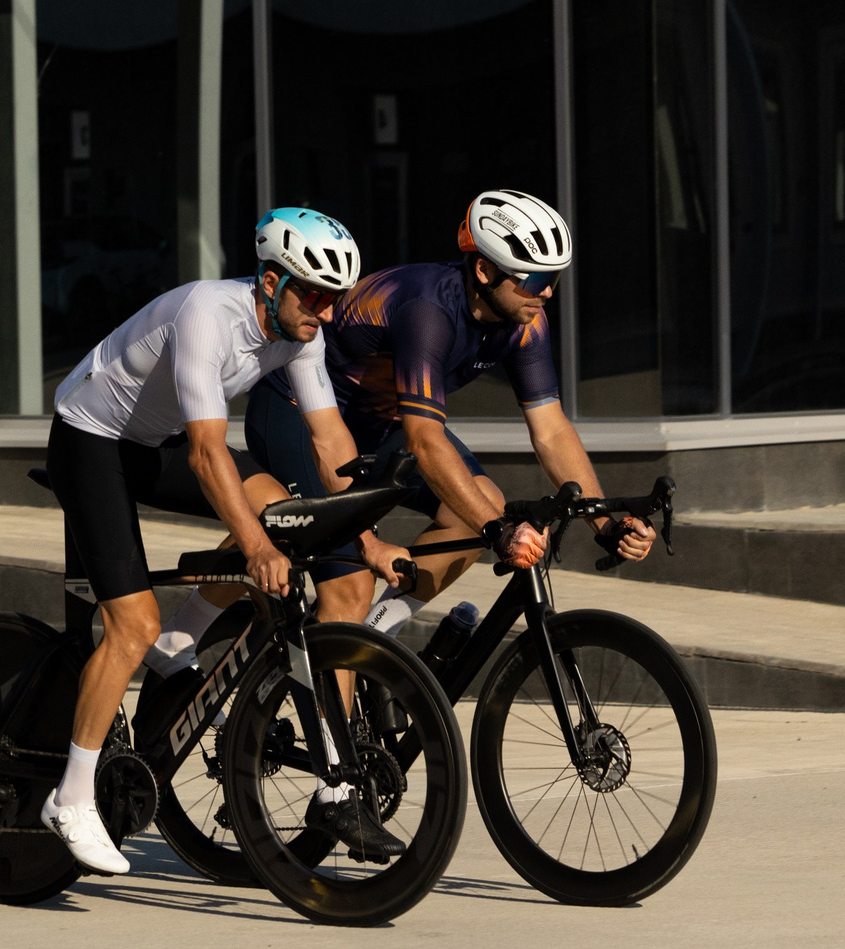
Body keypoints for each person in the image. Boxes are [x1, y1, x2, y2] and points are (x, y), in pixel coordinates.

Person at [42, 207, 404, 877]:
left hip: (150, 443)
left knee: (277, 505)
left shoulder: (301, 336)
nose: (324, 312)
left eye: (334, 298)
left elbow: (330, 445)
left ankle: (181, 635)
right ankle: (69, 798)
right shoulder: (208, 314)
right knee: (129, 623)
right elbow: (209, 455)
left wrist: (371, 540)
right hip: (90, 439)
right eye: (313, 294)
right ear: (270, 283)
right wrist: (256, 549)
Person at [244, 188, 654, 652]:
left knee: (480, 504)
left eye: (554, 278)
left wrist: (604, 524)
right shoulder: (428, 309)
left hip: (375, 426)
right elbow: (423, 440)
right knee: (349, 589)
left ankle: (374, 640)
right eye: (535, 277)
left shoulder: (526, 321)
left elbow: (552, 429)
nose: (547, 292)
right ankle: (312, 704)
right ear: (484, 269)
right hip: (297, 415)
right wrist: (499, 533)